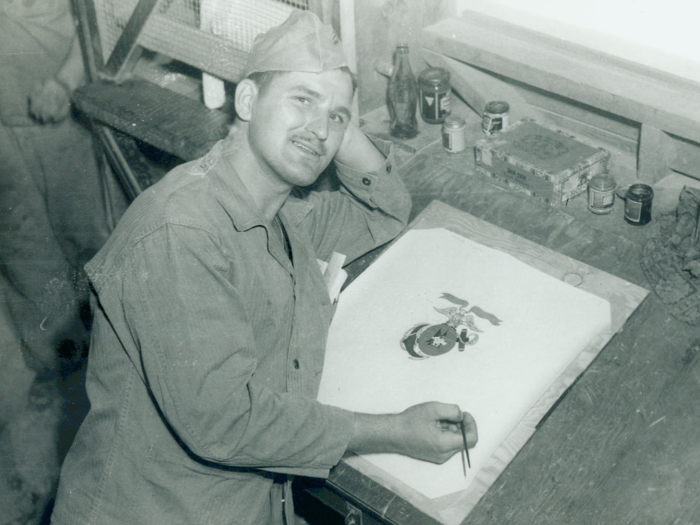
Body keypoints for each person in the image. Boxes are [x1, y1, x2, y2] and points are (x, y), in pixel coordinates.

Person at [51, 10, 477, 525]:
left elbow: (384, 208)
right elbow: (225, 423)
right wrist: (393, 430)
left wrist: (324, 126)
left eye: (338, 117)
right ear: (248, 100)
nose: (321, 127)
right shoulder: (181, 232)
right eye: (301, 99)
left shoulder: (282, 213)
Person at [0, 0, 126, 522]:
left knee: (90, 242)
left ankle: (111, 375)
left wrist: (67, 79)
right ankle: (54, 375)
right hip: (3, 134)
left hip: (65, 117)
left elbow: (99, 23)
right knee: (25, 256)